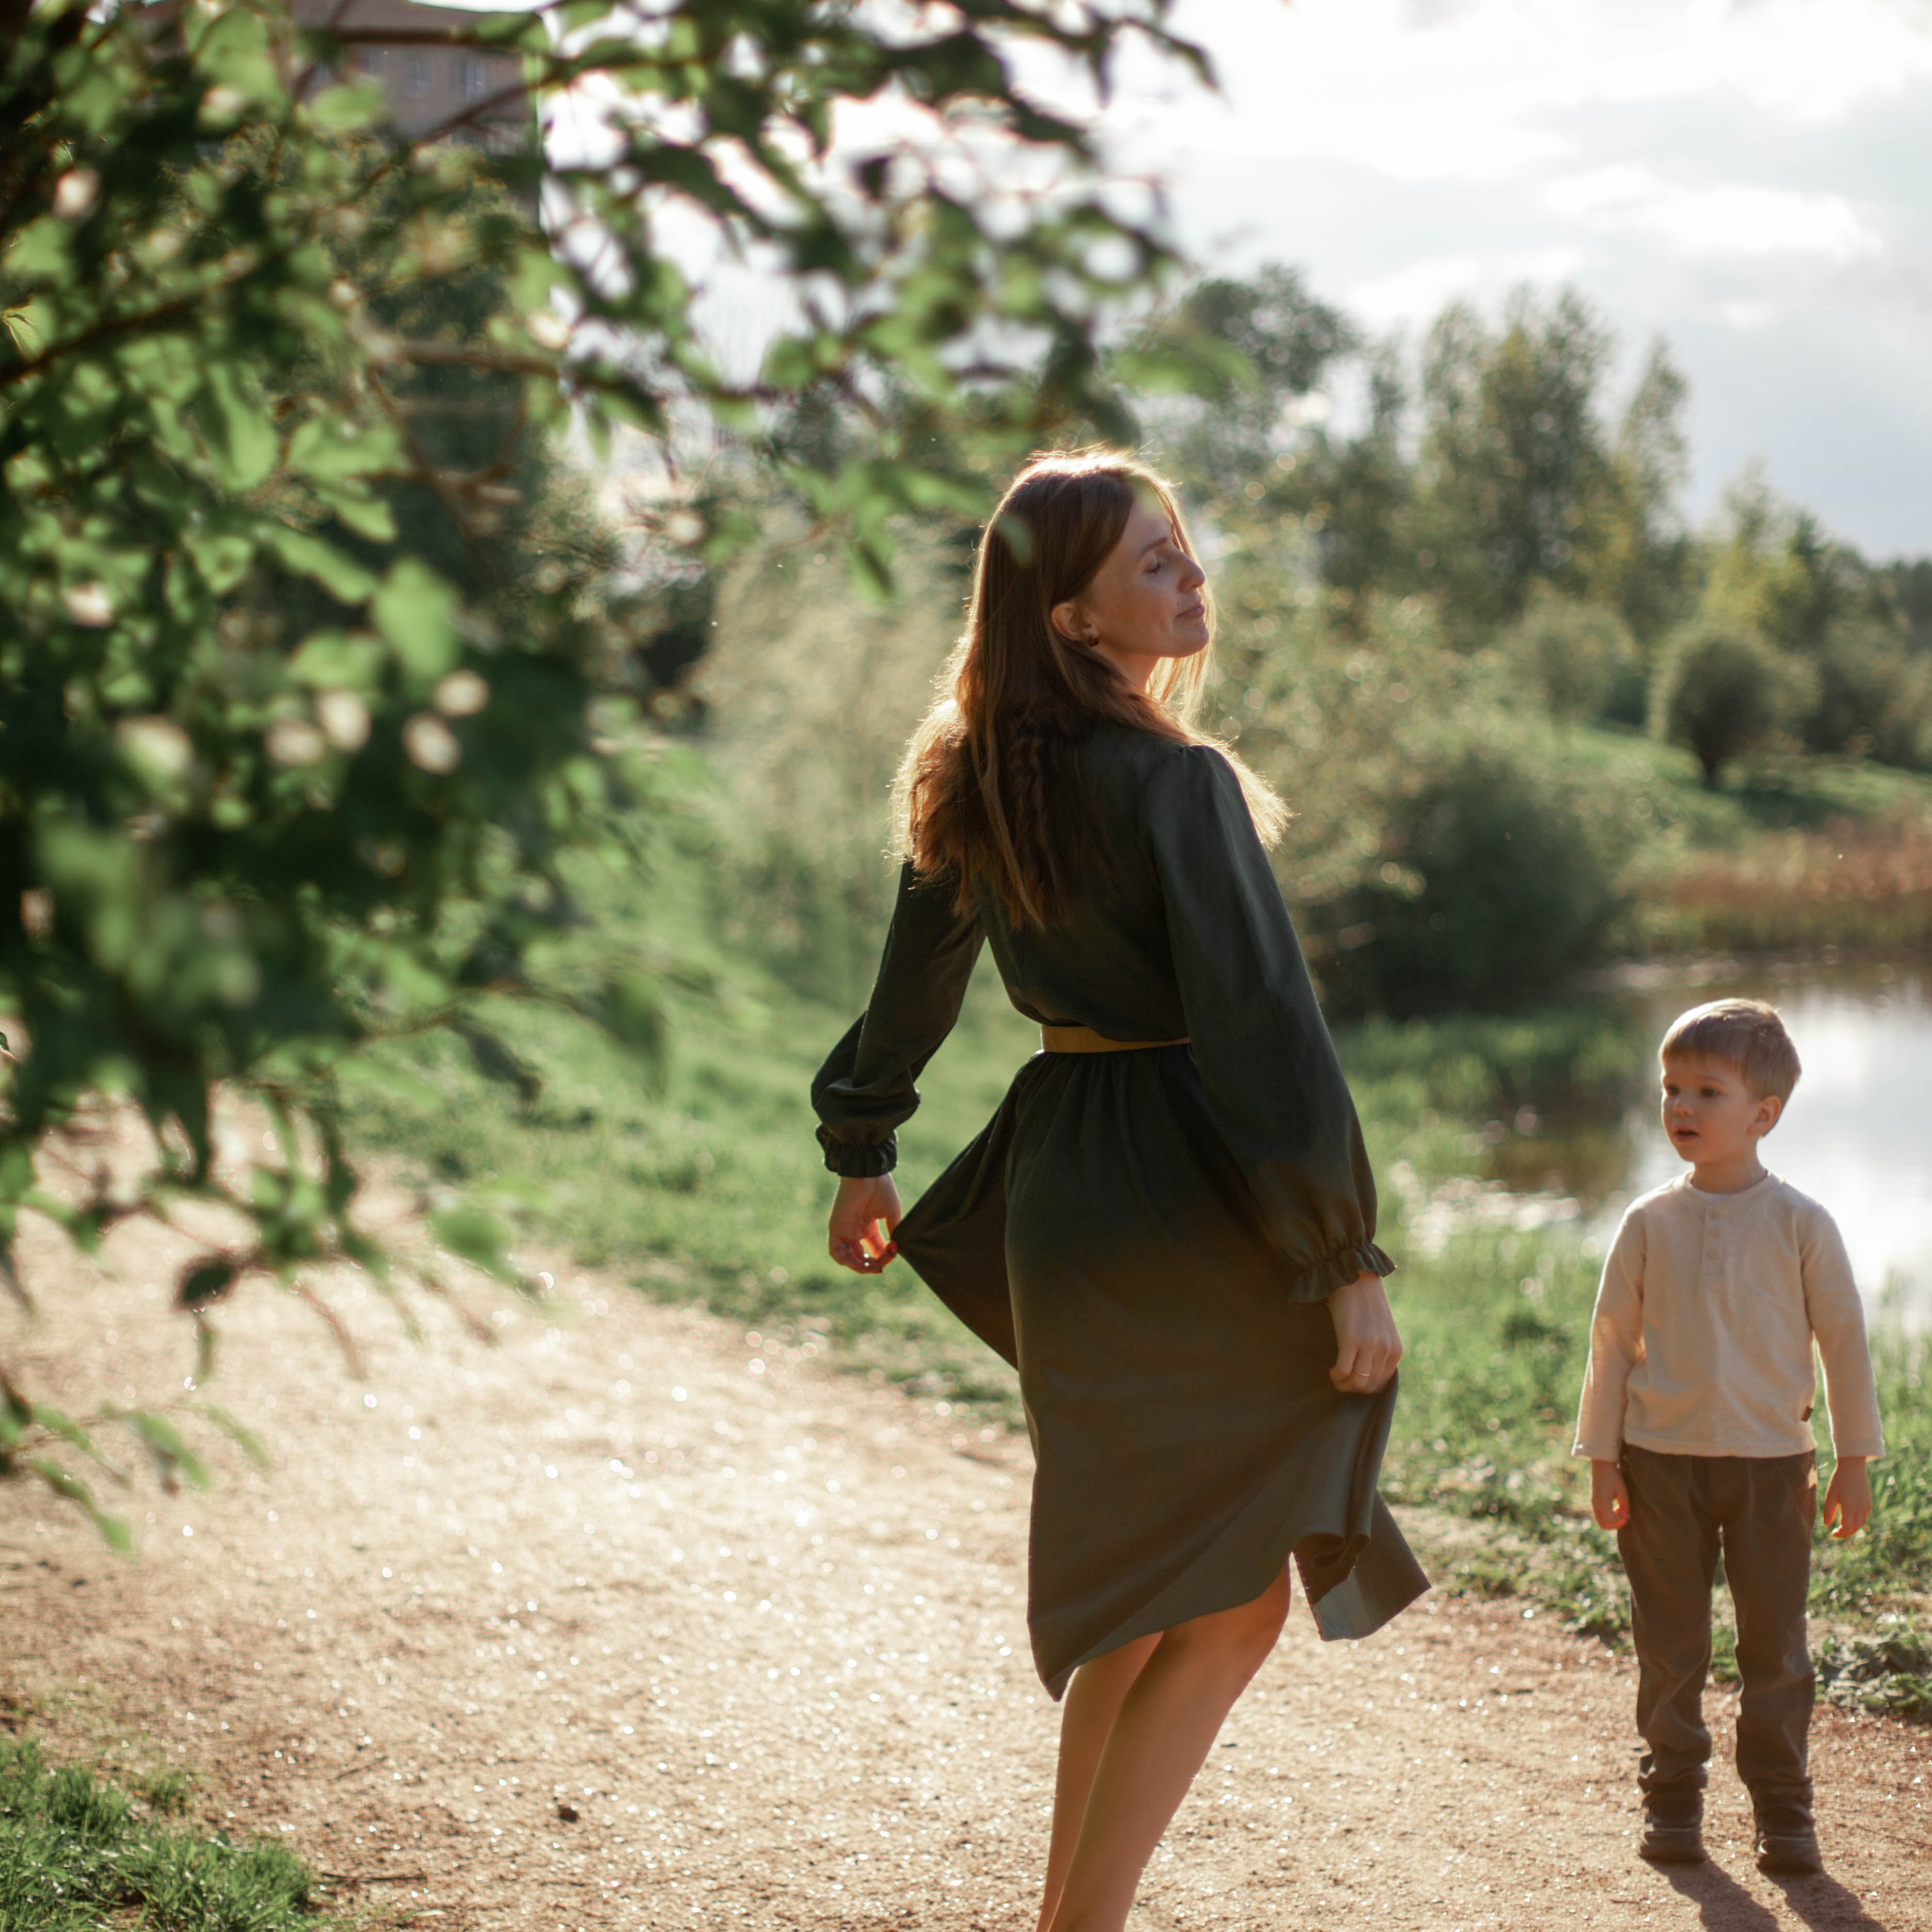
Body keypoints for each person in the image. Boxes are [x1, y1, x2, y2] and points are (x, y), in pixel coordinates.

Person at [811, 449, 1427, 1932]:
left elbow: (912, 992)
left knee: (1150, 1585)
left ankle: (1061, 1918)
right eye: (1154, 562)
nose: (1191, 577)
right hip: (1186, 1187)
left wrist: (862, 1146)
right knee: (1224, 1595)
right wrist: (1343, 1252)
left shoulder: (973, 768)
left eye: (1185, 548)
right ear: (1073, 617)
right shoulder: (1177, 780)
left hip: (1064, 1184)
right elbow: (1264, 1025)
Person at [1574, 998, 1884, 1877]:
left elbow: (1843, 1342)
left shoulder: (1800, 1223)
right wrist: (1601, 1457)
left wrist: (1852, 1459)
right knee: (1668, 1644)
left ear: (1763, 1114)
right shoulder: (1646, 1222)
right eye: (1672, 1087)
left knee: (1773, 1646)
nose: (1680, 1105)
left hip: (1771, 1468)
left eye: (1706, 1090)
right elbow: (1609, 1343)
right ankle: (1672, 1793)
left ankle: (1783, 1808)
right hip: (1659, 1464)